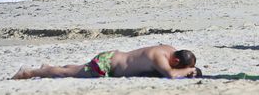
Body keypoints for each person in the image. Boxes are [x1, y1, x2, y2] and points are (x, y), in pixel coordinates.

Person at [11, 45, 202, 80]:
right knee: (69, 74)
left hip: (110, 58)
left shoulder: (169, 49)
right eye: (181, 66)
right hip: (106, 66)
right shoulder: (159, 58)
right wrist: (187, 72)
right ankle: (30, 72)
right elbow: (170, 74)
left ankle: (47, 68)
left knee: (78, 69)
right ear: (175, 60)